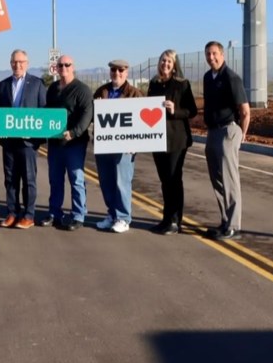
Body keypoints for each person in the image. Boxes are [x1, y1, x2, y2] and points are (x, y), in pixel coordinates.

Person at [39, 55, 94, 231]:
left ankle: (78, 215)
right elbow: (47, 112)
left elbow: (87, 114)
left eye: (67, 65)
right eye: (60, 65)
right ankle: (55, 212)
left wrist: (74, 132)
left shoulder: (82, 90)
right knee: (55, 180)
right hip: (55, 143)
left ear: (73, 67)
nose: (63, 67)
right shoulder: (53, 88)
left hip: (74, 144)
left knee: (76, 179)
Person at [202, 41, 250, 241]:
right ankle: (225, 221)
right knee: (217, 180)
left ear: (222, 55)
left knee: (230, 181)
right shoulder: (207, 77)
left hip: (228, 131)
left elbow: (245, 111)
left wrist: (241, 134)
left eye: (214, 53)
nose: (211, 57)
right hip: (212, 133)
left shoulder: (231, 78)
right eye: (208, 54)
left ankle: (234, 226)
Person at [147, 50, 198, 235]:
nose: (165, 64)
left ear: (174, 64)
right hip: (157, 139)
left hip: (176, 140)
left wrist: (175, 110)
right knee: (164, 181)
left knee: (173, 179)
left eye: (169, 61)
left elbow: (192, 111)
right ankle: (166, 218)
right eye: (162, 60)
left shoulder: (182, 85)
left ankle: (176, 220)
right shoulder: (154, 83)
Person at [0, 49, 47, 229]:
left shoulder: (37, 84)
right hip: (9, 141)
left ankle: (29, 215)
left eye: (21, 62)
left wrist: (37, 138)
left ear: (27, 63)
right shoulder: (1, 86)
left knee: (29, 179)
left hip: (28, 143)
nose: (17, 65)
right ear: (10, 64)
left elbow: (44, 113)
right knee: (10, 179)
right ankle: (12, 213)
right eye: (14, 62)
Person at [92, 59, 143, 234]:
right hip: (104, 145)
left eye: (121, 70)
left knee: (122, 182)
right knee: (106, 182)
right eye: (114, 70)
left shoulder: (134, 93)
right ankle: (112, 214)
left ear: (127, 72)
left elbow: (141, 120)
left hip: (124, 147)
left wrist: (137, 143)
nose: (117, 73)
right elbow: (93, 116)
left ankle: (123, 218)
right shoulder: (102, 91)